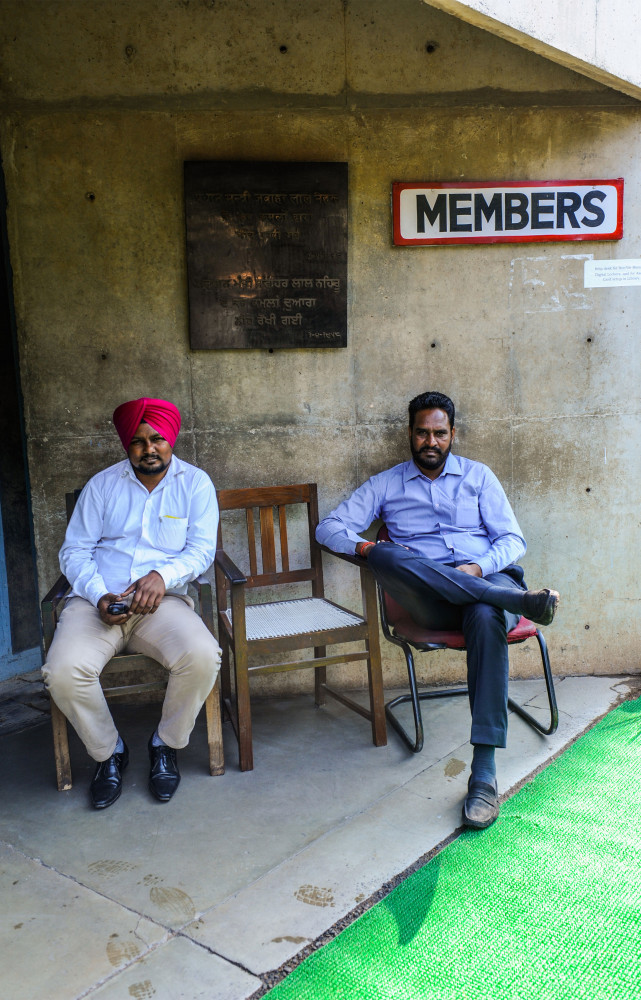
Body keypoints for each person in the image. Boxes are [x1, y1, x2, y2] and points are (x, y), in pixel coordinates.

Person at [316, 391, 559, 830]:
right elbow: (327, 528)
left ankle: (483, 773)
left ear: (452, 434)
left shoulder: (479, 477)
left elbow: (512, 540)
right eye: (423, 433)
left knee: (484, 612)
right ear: (410, 434)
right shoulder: (386, 484)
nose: (431, 441)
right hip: (432, 603)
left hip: (489, 581)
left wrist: (477, 568)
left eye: (440, 433)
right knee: (384, 554)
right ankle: (519, 603)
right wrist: (365, 547)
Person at [43, 397, 221, 809]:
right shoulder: (102, 485)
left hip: (163, 605)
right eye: (138, 442)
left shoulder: (195, 484)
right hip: (97, 604)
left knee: (203, 657)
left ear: (171, 440)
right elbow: (74, 551)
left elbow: (201, 551)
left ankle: (165, 745)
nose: (149, 449)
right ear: (127, 445)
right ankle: (109, 753)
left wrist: (163, 576)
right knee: (63, 672)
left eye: (157, 439)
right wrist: (97, 593)